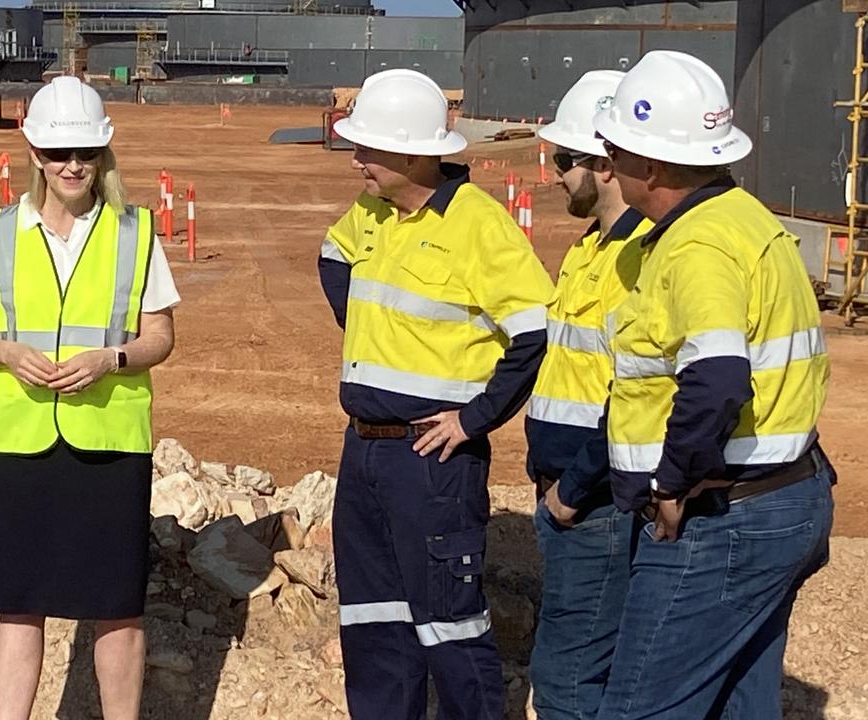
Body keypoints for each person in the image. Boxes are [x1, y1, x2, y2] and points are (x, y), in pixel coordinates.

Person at [593, 50, 834, 719]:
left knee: (641, 706)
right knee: (738, 698)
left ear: (658, 166)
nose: (607, 162)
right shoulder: (746, 219)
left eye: (618, 149)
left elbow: (718, 378)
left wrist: (671, 484)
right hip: (786, 493)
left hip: (725, 512)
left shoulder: (697, 245)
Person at [319, 68, 554, 720]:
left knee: (448, 625)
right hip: (363, 451)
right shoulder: (373, 212)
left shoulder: (478, 222)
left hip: (431, 458)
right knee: (373, 620)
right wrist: (373, 329)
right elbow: (332, 258)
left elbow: (535, 330)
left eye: (368, 146)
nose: (356, 158)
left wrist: (475, 419)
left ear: (416, 151)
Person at [0, 76, 178, 720]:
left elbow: (160, 336)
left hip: (109, 442)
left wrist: (111, 359)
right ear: (34, 156)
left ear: (103, 154)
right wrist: (5, 352)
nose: (72, 166)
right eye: (57, 155)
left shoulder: (136, 231)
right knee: (17, 601)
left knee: (116, 605)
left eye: (84, 154)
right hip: (17, 442)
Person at [524, 70, 653, 719]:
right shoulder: (589, 250)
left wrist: (572, 493)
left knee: (568, 681)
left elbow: (639, 397)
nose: (553, 173)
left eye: (564, 159)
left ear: (604, 162)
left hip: (595, 502)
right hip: (570, 491)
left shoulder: (638, 260)